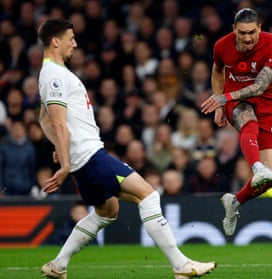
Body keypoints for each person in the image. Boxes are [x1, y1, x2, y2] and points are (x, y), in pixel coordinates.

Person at [37, 18, 215, 279]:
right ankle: (181, 265)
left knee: (107, 212)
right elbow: (57, 123)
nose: (75, 44)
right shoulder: (54, 75)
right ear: (55, 41)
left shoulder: (50, 73)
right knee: (149, 195)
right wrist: (64, 163)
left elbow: (44, 120)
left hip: (82, 157)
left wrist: (63, 150)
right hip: (89, 156)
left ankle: (58, 265)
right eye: (70, 38)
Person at [200, 8, 272, 236]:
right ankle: (257, 168)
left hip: (264, 103)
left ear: (260, 28)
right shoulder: (221, 46)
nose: (247, 38)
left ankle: (235, 201)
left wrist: (222, 98)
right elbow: (217, 71)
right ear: (234, 30)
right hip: (236, 99)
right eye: (242, 33)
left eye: (251, 32)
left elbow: (259, 86)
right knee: (249, 122)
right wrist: (221, 103)